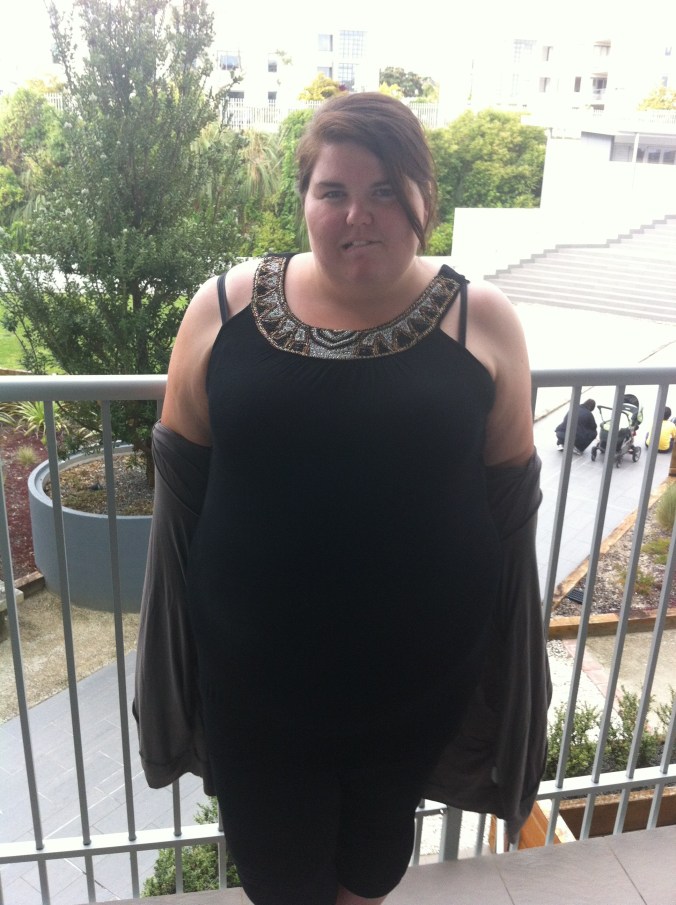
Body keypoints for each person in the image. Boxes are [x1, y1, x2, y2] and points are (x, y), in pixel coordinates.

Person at [134, 92, 550, 905]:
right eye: (334, 191)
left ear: (424, 197)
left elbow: (509, 498)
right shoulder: (221, 309)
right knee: (280, 879)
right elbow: (181, 484)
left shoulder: (483, 319)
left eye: (385, 190)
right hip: (257, 690)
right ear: (304, 201)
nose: (359, 215)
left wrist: (499, 668)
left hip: (419, 687)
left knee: (373, 867)